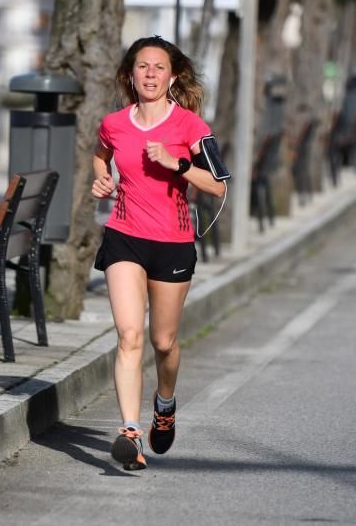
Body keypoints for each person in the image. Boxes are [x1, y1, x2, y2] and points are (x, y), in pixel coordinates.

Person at [91, 36, 226, 471]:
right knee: (129, 336)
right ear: (130, 74)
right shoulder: (113, 123)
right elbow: (101, 155)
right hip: (124, 236)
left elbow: (219, 186)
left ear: (172, 76)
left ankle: (164, 404)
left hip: (173, 241)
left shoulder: (191, 127)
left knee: (162, 342)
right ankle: (129, 433)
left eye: (158, 67)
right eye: (142, 67)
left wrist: (179, 164)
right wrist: (103, 180)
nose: (150, 74)